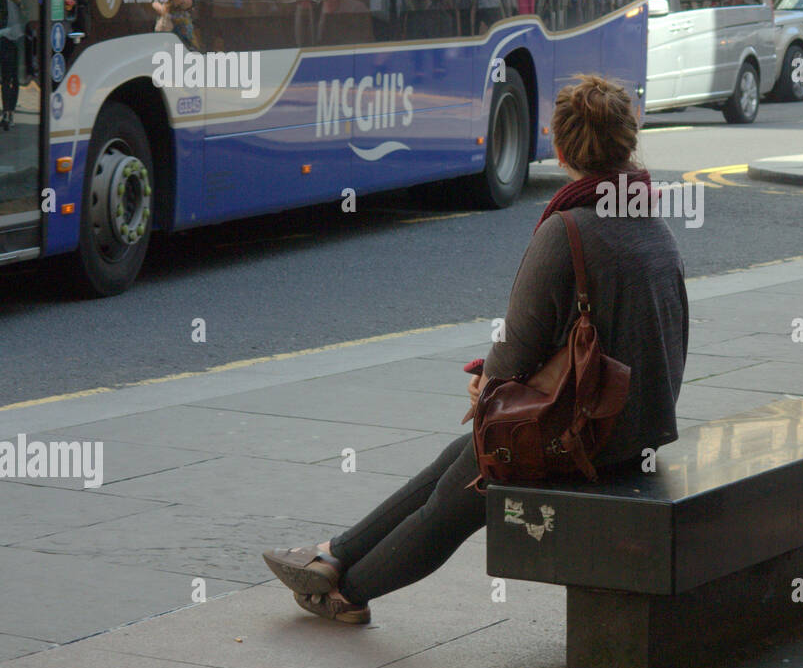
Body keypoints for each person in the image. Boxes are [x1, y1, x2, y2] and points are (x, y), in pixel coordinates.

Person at [261, 74, 689, 623]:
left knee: (463, 490)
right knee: (460, 457)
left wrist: (488, 381)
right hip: (640, 428)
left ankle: (346, 592)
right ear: (629, 143)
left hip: (592, 441)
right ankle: (335, 554)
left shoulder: (568, 230)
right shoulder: (652, 219)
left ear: (558, 148)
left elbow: (515, 353)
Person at [0, 0, 30, 131]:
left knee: (15, 76)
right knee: (5, 76)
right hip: (3, 31)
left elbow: (28, 6)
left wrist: (19, 1)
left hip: (18, 31)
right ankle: (6, 111)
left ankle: (11, 111)